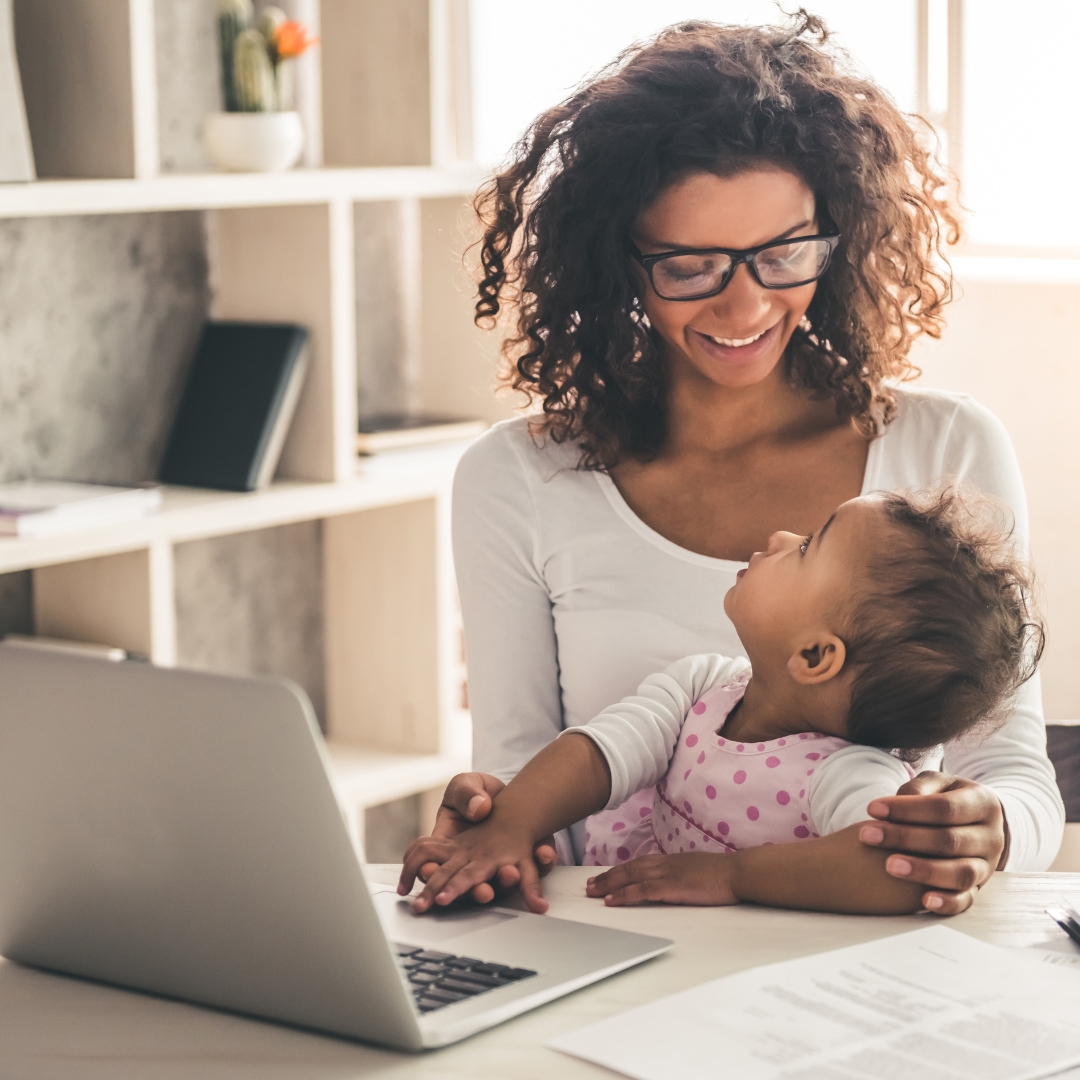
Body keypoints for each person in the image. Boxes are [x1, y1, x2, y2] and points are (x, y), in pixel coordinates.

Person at [434, 13, 1065, 915]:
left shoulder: (947, 448)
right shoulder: (515, 479)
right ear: (620, 264)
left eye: (781, 254)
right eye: (691, 265)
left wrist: (987, 829)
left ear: (838, 233)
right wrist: (493, 817)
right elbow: (523, 771)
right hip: (616, 942)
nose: (745, 304)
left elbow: (1011, 773)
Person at [400, 491, 1043, 915]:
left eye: (809, 547)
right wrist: (510, 823)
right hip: (617, 933)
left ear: (816, 657)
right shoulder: (701, 687)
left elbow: (895, 868)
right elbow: (600, 754)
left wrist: (732, 877)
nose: (784, 533)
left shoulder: (847, 773)